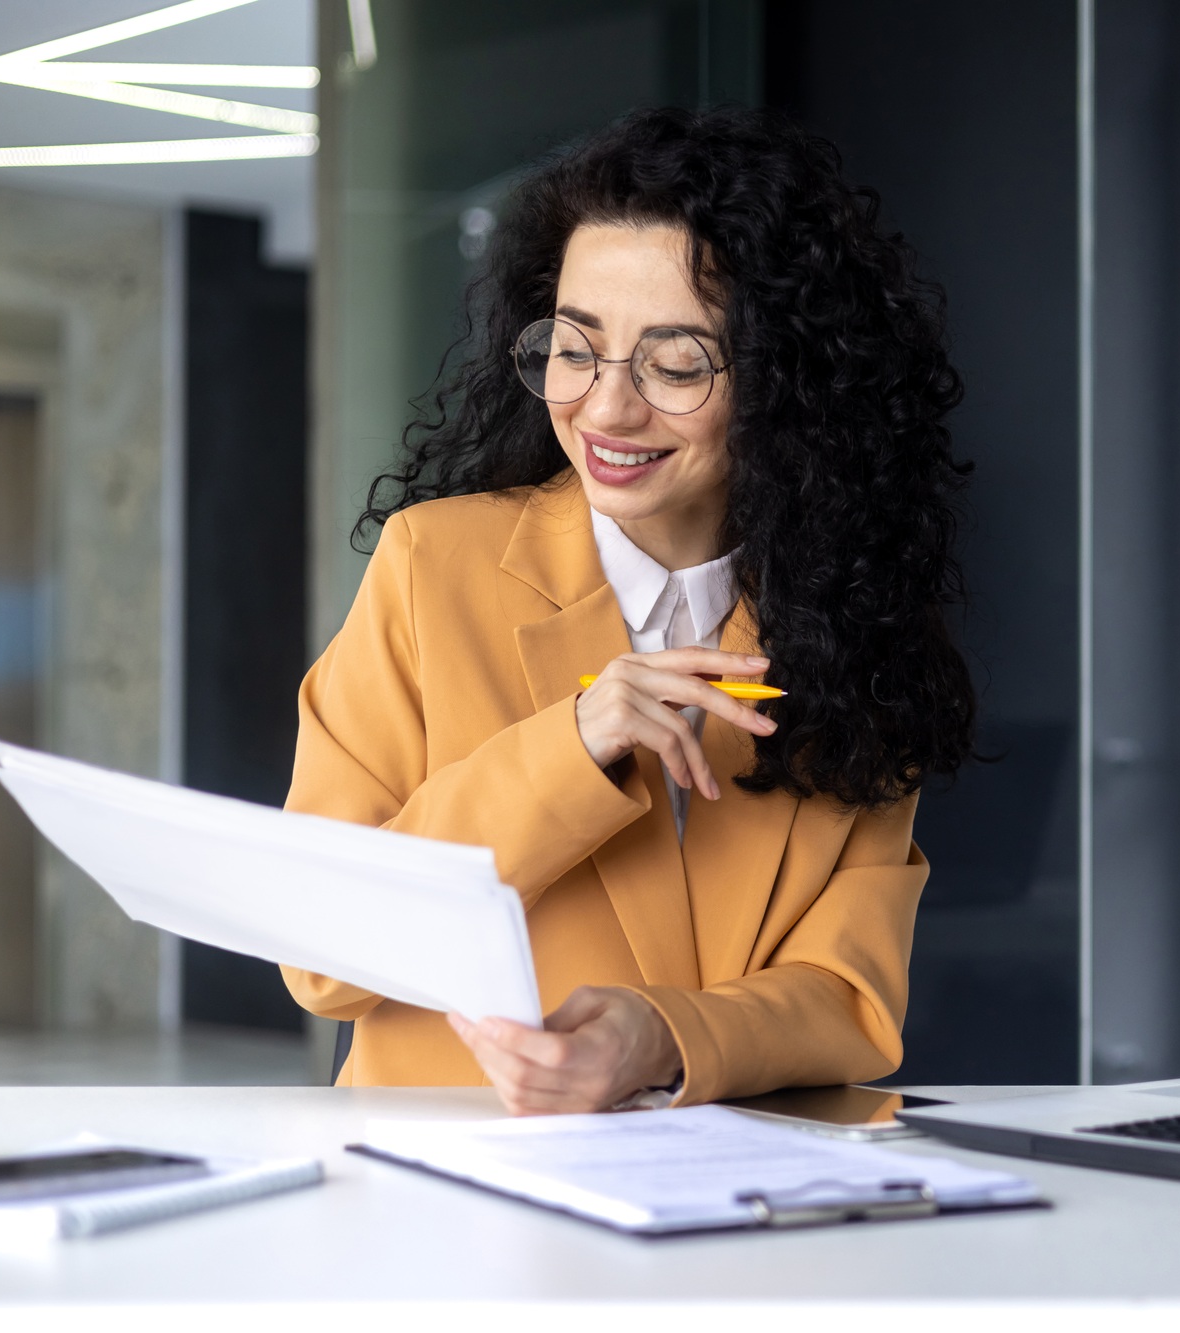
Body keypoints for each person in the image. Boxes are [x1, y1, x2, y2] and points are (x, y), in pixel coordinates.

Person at [280, 106, 977, 1113]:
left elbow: (849, 1002)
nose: (606, 408)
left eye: (676, 363)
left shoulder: (852, 628)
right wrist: (572, 743)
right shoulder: (434, 565)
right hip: (450, 1199)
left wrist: (664, 1038)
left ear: (787, 385)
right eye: (574, 349)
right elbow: (321, 954)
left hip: (735, 1212)